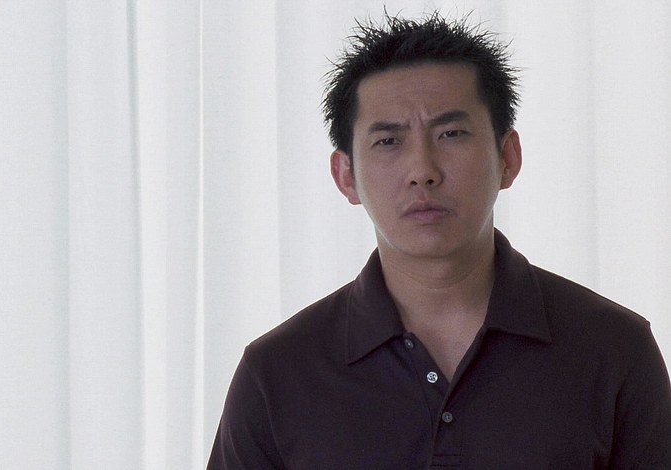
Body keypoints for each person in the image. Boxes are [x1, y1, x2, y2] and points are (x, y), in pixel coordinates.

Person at [207, 12, 671, 469]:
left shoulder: (613, 349)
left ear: (507, 158)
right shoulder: (277, 374)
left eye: (451, 133)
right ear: (346, 175)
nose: (423, 171)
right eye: (389, 141)